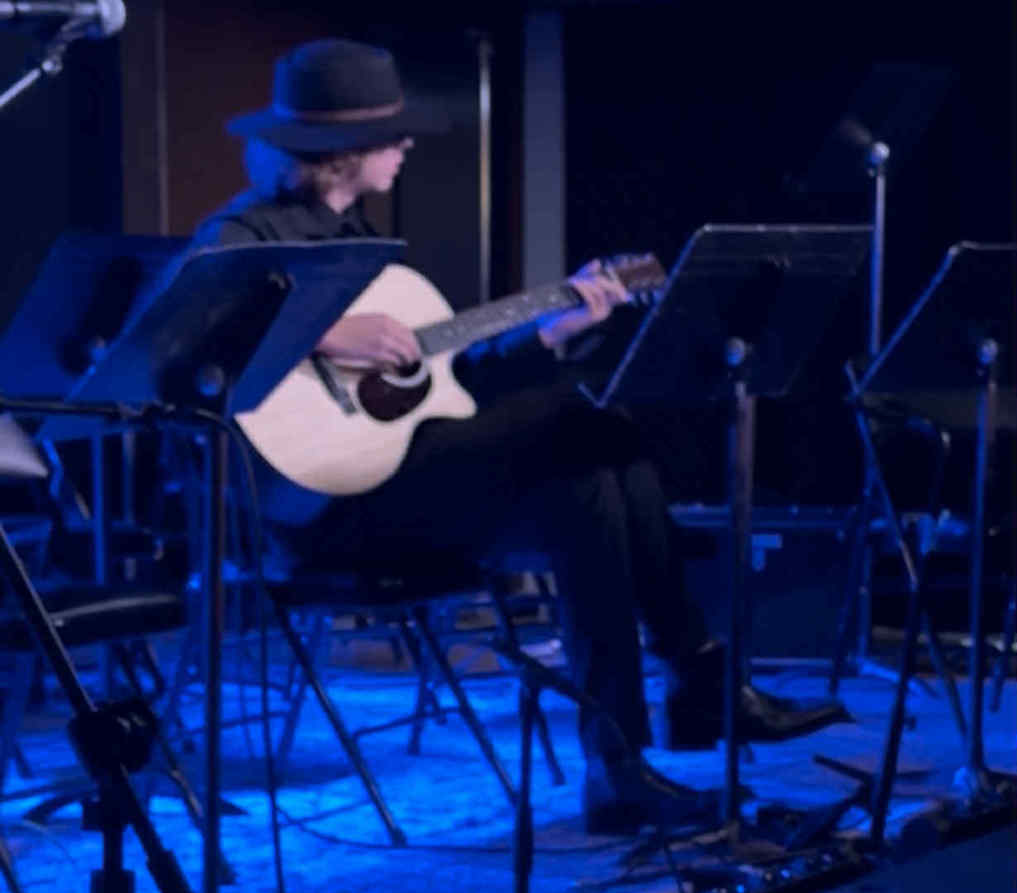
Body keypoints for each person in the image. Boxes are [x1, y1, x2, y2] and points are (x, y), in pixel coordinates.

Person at [193, 38, 847, 835]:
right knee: (585, 422)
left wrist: (553, 328)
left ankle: (618, 767)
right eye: (392, 135)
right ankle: (698, 679)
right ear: (339, 153)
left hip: (407, 478)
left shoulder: (365, 239)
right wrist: (323, 333)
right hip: (324, 509)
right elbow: (196, 337)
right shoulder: (241, 235)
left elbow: (449, 387)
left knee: (588, 481)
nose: (404, 147)